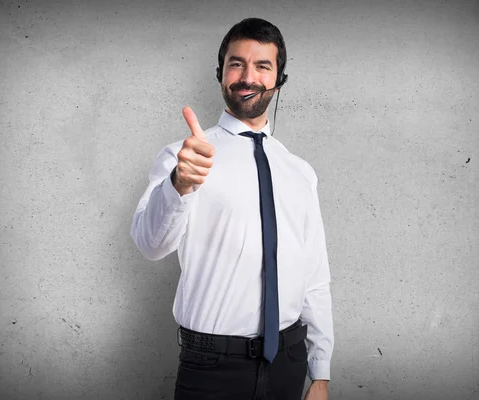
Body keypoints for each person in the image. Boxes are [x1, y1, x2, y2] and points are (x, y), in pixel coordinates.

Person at [130, 17, 334, 400]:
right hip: (212, 367)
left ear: (279, 78)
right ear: (221, 73)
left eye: (263, 65)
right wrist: (180, 184)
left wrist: (319, 373)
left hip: (288, 362)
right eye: (236, 63)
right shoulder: (183, 156)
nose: (247, 76)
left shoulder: (300, 172)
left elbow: (315, 277)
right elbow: (149, 244)